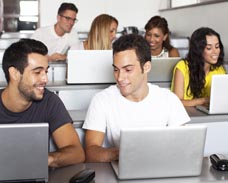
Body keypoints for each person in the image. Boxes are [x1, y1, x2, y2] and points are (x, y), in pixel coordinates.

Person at [83, 34, 190, 162]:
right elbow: (90, 152)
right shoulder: (102, 100)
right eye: (116, 70)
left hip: (161, 169)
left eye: (128, 70)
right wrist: (123, 153)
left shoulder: (169, 99)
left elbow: (183, 147)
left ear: (146, 67)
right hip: (119, 174)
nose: (120, 77)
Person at [0, 38, 85, 168]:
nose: (45, 79)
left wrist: (47, 159)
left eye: (46, 71)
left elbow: (77, 153)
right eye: (37, 72)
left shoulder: (49, 101)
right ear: (15, 73)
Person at [171, 27, 226, 107]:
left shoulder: (219, 69)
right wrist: (204, 100)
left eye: (217, 47)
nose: (215, 52)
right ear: (198, 50)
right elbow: (177, 102)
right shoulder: (182, 67)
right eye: (209, 48)